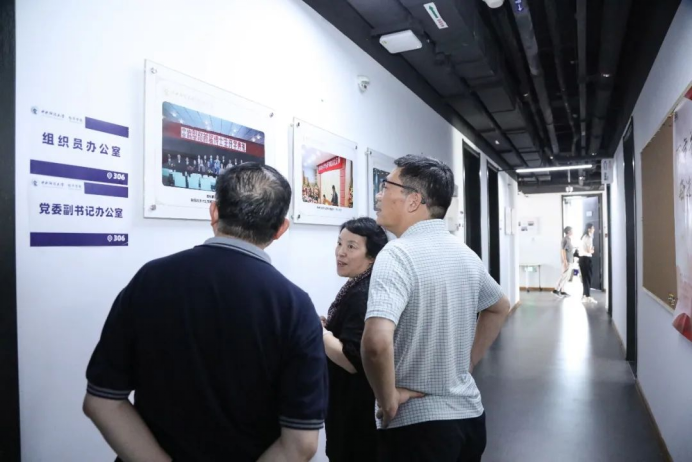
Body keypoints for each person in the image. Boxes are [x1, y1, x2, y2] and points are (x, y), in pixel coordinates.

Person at [83, 163, 328, 462]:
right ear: (280, 229)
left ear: (214, 212)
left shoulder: (151, 279)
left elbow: (102, 401)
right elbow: (301, 443)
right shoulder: (295, 307)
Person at [362, 155, 510, 463]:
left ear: (414, 200)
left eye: (386, 186)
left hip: (418, 429)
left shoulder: (396, 254)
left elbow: (375, 343)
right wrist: (468, 362)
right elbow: (500, 307)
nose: (378, 195)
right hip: (469, 418)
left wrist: (388, 400)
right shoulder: (465, 253)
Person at [321, 218, 388, 462]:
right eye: (340, 243)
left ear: (372, 257)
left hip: (356, 408)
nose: (341, 252)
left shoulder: (362, 293)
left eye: (351, 246)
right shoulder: (360, 283)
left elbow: (352, 359)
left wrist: (319, 333)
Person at [579, 223, 597, 304]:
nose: (594, 230)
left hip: (582, 259)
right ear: (589, 229)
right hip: (586, 259)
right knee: (588, 278)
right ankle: (587, 296)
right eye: (593, 228)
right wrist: (592, 250)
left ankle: (585, 295)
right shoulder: (589, 238)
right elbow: (589, 250)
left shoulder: (583, 237)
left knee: (585, 278)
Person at [553, 226, 574, 297]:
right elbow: (563, 250)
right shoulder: (565, 239)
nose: (572, 232)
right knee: (564, 276)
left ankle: (562, 291)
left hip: (570, 260)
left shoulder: (569, 239)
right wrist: (565, 261)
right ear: (568, 231)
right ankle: (556, 290)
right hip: (567, 260)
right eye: (571, 230)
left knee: (567, 277)